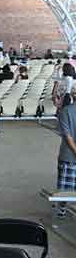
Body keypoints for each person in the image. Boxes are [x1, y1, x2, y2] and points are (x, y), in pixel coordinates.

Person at [56, 88, 76, 218]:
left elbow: (67, 136)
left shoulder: (65, 111)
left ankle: (61, 210)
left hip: (68, 155)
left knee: (64, 188)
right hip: (68, 156)